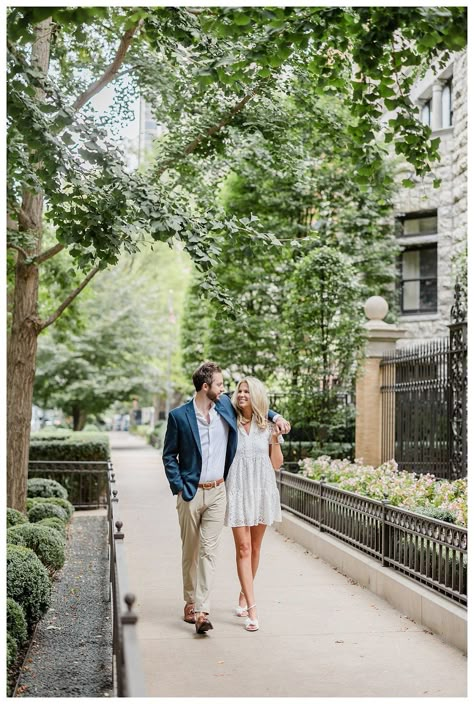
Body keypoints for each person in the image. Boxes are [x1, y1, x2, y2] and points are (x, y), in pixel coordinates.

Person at [162, 361, 290, 635]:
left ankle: (202, 610)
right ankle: (191, 600)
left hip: (220, 491)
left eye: (227, 386)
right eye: (221, 385)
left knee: (210, 551)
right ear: (206, 387)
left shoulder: (224, 410)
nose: (227, 390)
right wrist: (179, 486)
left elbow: (259, 408)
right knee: (191, 551)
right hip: (192, 491)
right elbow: (168, 455)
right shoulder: (182, 415)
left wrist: (276, 417)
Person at [224, 376, 284, 632]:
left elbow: (276, 464)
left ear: (256, 395)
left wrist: (274, 435)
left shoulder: (268, 427)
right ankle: (252, 608)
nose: (241, 394)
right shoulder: (229, 422)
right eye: (240, 390)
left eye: (247, 391)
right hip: (238, 490)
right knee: (243, 549)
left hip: (261, 490)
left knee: (256, 548)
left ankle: (242, 595)